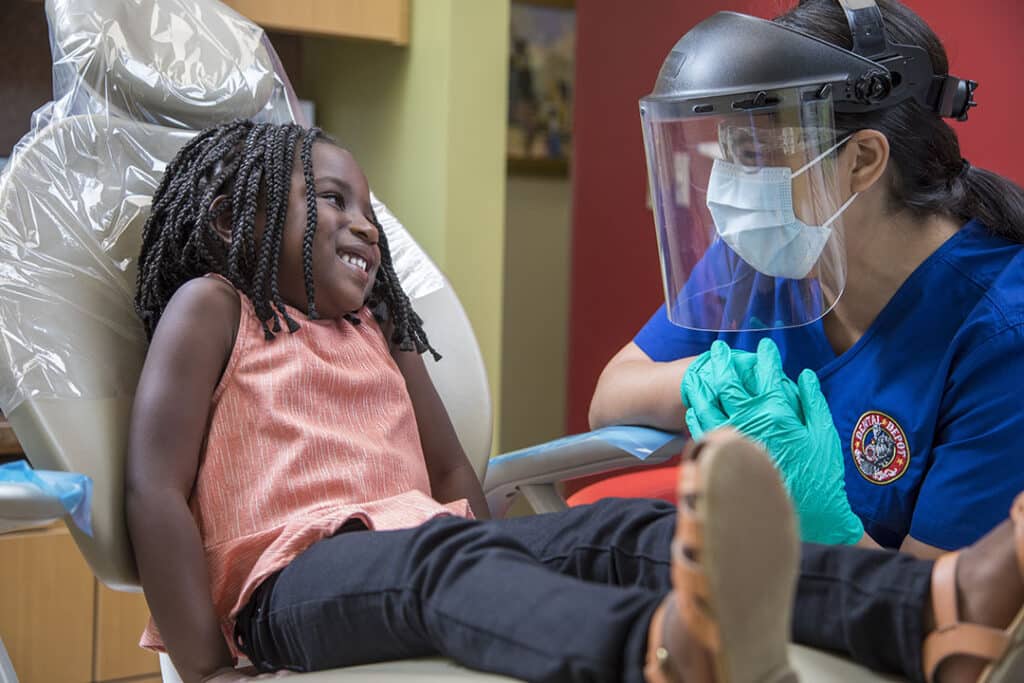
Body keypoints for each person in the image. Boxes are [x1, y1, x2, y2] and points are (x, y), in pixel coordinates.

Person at [123, 119, 1023, 683]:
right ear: (231, 223)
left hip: (426, 540)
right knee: (446, 572)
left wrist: (493, 529)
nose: (365, 224)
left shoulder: (381, 332)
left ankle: (933, 607)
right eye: (331, 199)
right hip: (296, 580)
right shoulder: (217, 307)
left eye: (369, 206)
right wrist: (206, 663)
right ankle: (658, 651)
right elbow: (155, 489)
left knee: (624, 535)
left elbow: (446, 469)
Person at [588, 0, 1024, 558]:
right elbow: (611, 397)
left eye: (754, 154)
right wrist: (714, 381)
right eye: (728, 151)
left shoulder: (1000, 335)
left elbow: (936, 611)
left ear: (863, 160)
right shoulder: (762, 253)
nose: (728, 187)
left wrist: (829, 529)